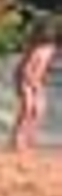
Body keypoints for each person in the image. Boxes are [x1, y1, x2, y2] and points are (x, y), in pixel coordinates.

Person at [10, 11, 61, 152]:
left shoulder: (51, 49)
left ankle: (29, 138)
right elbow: (26, 70)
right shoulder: (36, 48)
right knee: (27, 107)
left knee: (39, 110)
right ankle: (17, 140)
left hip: (36, 80)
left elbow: (45, 67)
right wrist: (35, 85)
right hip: (23, 78)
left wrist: (39, 83)